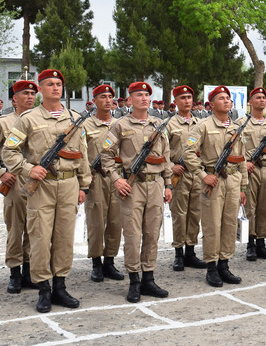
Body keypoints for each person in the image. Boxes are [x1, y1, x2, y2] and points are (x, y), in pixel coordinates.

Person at [2, 69, 91, 313]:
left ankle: (60, 286)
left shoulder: (74, 119)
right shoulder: (28, 119)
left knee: (64, 238)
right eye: (50, 84)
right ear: (40, 89)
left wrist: (84, 185)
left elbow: (82, 154)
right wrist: (28, 169)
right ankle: (43, 289)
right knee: (40, 237)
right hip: (41, 187)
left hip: (69, 185)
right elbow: (9, 151)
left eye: (59, 84)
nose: (55, 88)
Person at [100, 81, 172, 303]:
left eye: (147, 95)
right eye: (139, 95)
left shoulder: (158, 124)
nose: (144, 98)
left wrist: (168, 184)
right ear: (130, 99)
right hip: (133, 186)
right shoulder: (120, 125)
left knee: (152, 233)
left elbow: (166, 156)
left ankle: (148, 278)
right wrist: (116, 180)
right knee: (132, 235)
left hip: (156, 184)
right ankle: (134, 280)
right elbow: (106, 156)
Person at [182, 85, 248, 287]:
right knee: (212, 225)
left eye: (228, 98)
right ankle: (211, 267)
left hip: (233, 180)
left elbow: (241, 158)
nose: (227, 100)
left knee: (229, 224)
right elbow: (188, 153)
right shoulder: (202, 126)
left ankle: (224, 265)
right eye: (221, 98)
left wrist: (243, 185)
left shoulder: (236, 127)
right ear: (211, 105)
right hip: (214, 181)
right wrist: (203, 175)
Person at [0, 81, 38, 292]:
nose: (30, 97)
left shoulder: (41, 120)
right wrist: (0, 173)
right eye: (25, 93)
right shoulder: (2, 123)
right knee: (15, 228)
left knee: (35, 228)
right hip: (14, 182)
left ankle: (29, 272)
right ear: (14, 99)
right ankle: (15, 272)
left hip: (37, 181)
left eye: (33, 93)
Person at [82, 84, 125, 283]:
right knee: (97, 223)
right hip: (96, 178)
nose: (108, 100)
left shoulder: (121, 124)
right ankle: (96, 263)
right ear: (94, 100)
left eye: (110, 97)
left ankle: (110, 261)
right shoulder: (85, 125)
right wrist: (83, 179)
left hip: (116, 179)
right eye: (103, 97)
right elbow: (80, 154)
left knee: (116, 222)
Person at [237, 87, 266, 261]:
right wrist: (243, 163)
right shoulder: (241, 123)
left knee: (264, 207)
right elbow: (234, 148)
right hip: (250, 170)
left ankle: (262, 242)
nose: (261, 100)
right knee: (250, 208)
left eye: (263, 98)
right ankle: (250, 244)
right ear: (250, 102)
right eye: (257, 97)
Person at [166, 85, 207, 272]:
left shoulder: (201, 124)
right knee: (179, 215)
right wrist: (169, 166)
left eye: (189, 97)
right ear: (175, 101)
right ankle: (178, 254)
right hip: (179, 175)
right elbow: (161, 150)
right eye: (182, 98)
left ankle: (191, 251)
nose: (187, 101)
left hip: (196, 174)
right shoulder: (169, 125)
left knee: (194, 214)